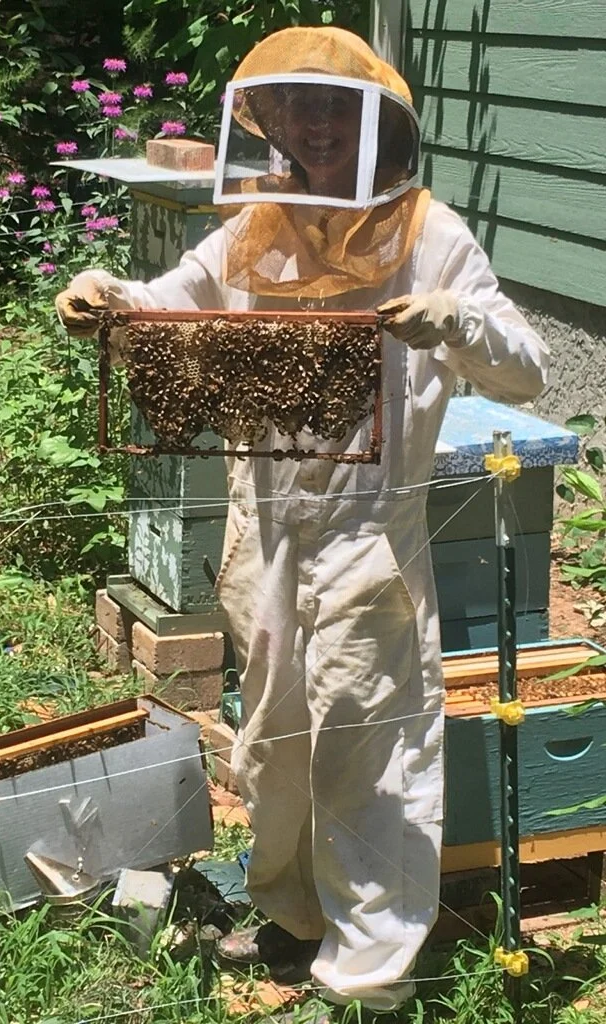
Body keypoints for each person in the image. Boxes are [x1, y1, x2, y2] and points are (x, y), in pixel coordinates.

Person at [56, 27, 548, 1018]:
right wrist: (108, 299)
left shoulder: (432, 235)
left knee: (369, 747)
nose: (317, 125)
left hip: (370, 537)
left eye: (338, 108)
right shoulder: (253, 228)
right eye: (298, 107)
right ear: (270, 122)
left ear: (379, 126)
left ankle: (370, 973)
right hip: (265, 531)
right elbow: (169, 305)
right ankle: (291, 914)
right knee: (273, 742)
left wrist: (455, 319)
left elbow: (527, 369)